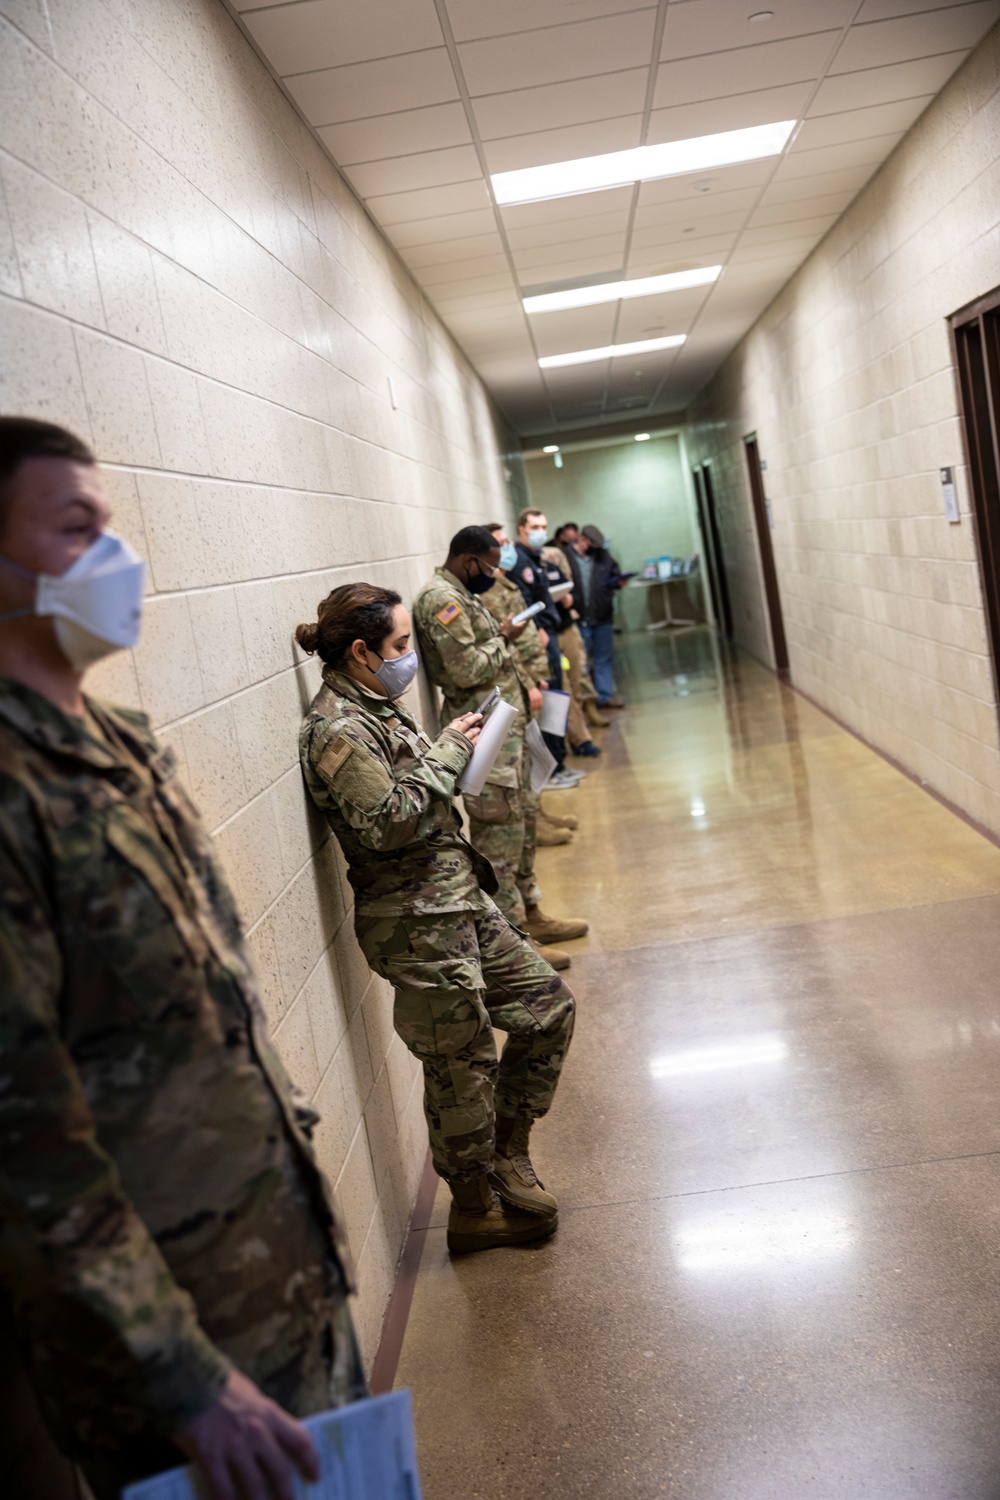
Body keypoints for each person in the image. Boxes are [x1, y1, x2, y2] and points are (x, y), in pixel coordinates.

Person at [0, 418, 364, 1500]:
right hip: (175, 1370)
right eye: (78, 529)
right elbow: (26, 1144)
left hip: (278, 1278)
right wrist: (187, 1380)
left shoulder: (119, 745)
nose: (118, 559)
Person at [296, 584, 576, 1255]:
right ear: (361, 652)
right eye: (398, 647)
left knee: (549, 1009)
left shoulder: (378, 708)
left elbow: (416, 792)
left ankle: (508, 1155)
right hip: (416, 927)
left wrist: (451, 746)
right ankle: (475, 1208)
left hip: (459, 898)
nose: (407, 658)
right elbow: (389, 821)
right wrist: (450, 752)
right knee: (462, 1070)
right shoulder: (338, 729)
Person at [412, 527, 588, 964]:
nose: (493, 573)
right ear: (469, 560)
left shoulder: (464, 595)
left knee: (522, 829)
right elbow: (467, 669)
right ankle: (515, 945)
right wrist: (505, 635)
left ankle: (533, 913)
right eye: (490, 565)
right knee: (500, 845)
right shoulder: (441, 600)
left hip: (507, 736)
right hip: (486, 742)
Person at [484, 523, 579, 848]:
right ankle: (534, 826)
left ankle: (539, 814)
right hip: (515, 685)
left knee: (532, 754)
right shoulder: (486, 590)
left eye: (507, 542)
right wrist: (529, 682)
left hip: (530, 678)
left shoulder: (504, 583)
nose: (506, 549)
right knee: (523, 760)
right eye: (500, 543)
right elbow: (505, 645)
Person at [511, 508, 582, 788]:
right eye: (535, 526)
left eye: (544, 526)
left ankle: (559, 763)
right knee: (549, 701)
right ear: (522, 530)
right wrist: (539, 627)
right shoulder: (520, 562)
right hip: (540, 638)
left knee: (557, 700)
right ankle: (550, 769)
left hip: (551, 632)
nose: (541, 531)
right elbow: (526, 603)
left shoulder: (537, 559)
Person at [543, 529, 604, 756]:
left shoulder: (554, 570)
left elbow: (574, 594)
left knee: (577, 685)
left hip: (567, 628)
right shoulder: (525, 573)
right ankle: (576, 741)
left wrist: (570, 600)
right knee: (562, 690)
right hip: (548, 635)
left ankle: (575, 740)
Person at [574, 523, 627, 709]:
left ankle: (603, 697)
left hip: (602, 616)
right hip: (579, 619)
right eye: (592, 545)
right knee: (581, 661)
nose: (596, 549)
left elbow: (615, 574)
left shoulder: (603, 556)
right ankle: (586, 701)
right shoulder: (567, 557)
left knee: (603, 658)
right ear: (582, 540)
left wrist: (619, 582)